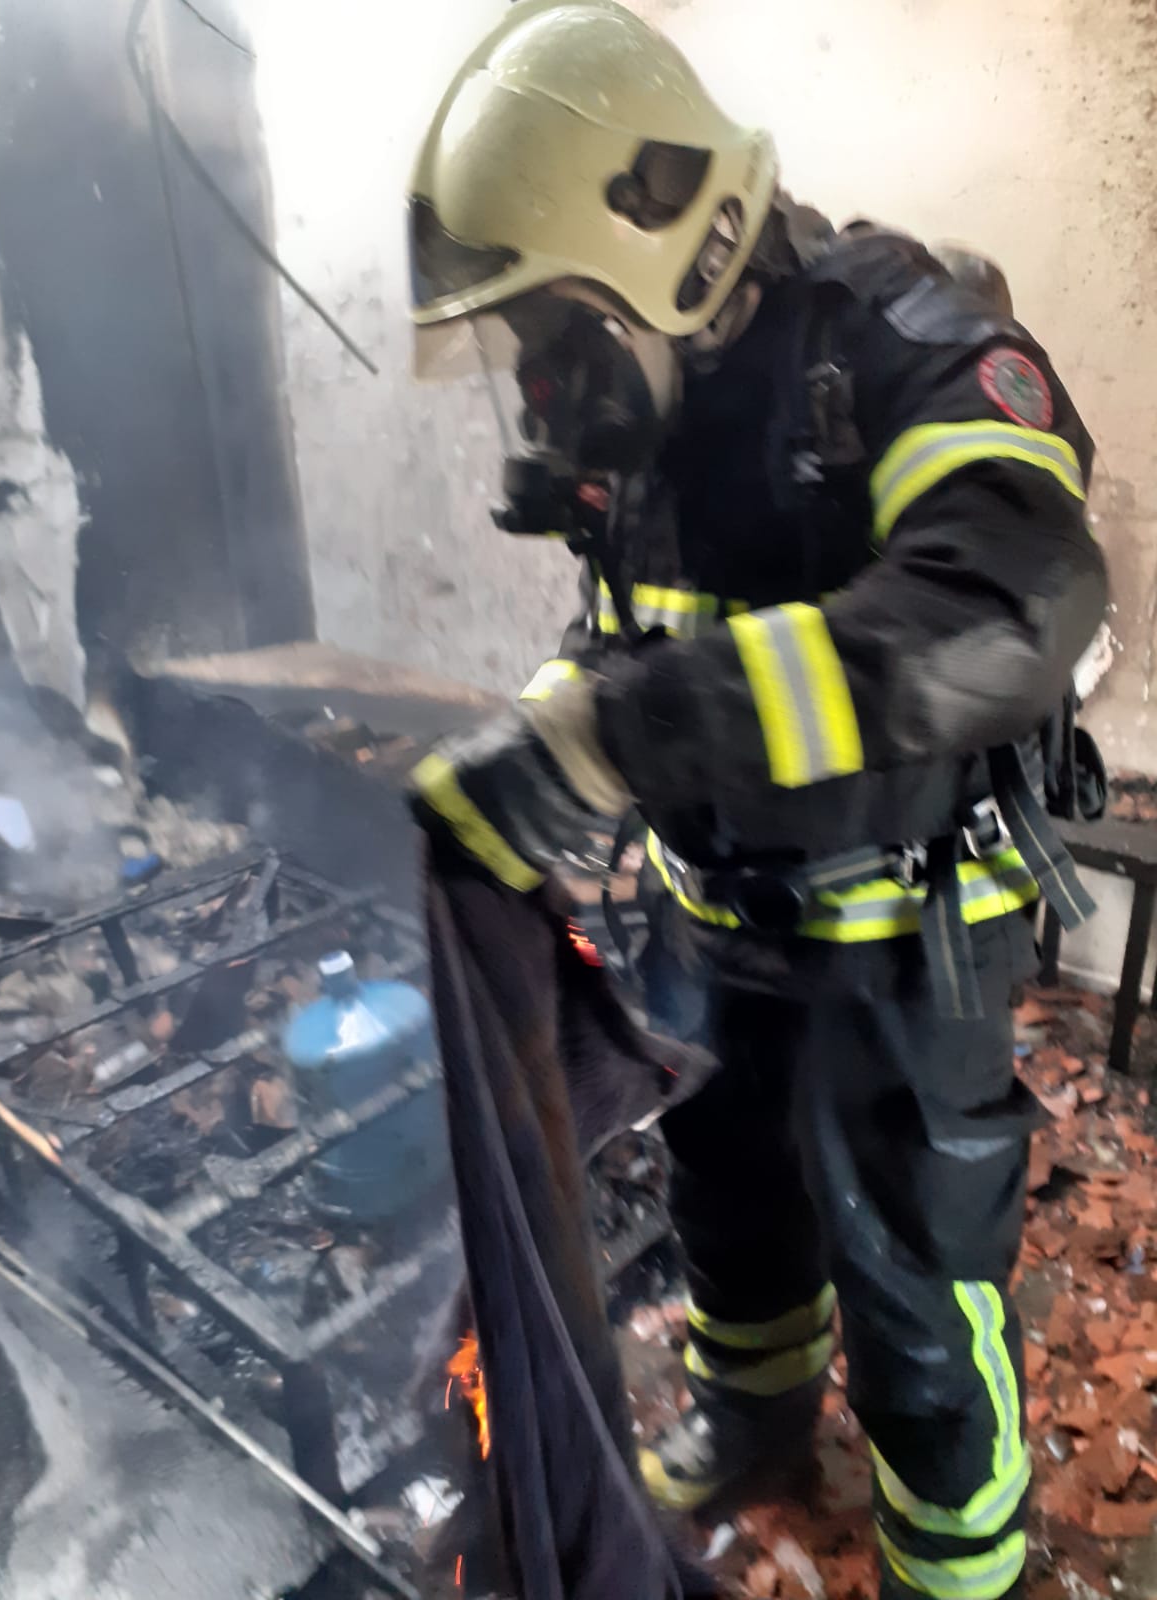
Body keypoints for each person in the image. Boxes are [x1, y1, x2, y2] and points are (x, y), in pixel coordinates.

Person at [405, 4, 1108, 1597]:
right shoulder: (646, 408)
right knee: (736, 1226)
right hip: (719, 918)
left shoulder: (902, 346)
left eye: (556, 334)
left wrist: (616, 740)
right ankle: (755, 1437)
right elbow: (632, 643)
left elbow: (1005, 608)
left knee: (921, 1298)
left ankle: (961, 1563)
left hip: (908, 928)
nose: (541, 388)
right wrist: (529, 743)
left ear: (670, 232)